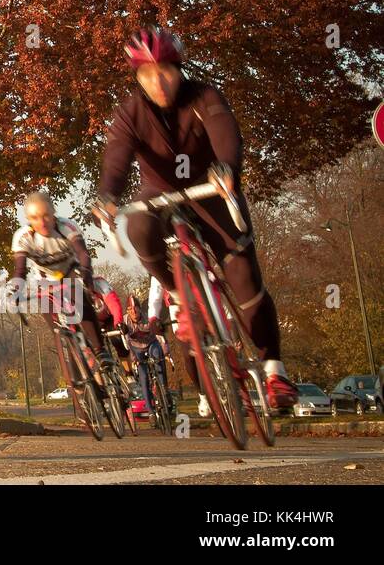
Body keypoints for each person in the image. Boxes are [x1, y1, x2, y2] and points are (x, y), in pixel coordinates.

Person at [92, 28, 297, 412]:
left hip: (211, 191)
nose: (158, 81)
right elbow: (117, 156)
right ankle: (175, 291)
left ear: (179, 69)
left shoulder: (203, 96)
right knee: (138, 227)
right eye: (147, 74)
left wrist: (226, 167)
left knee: (245, 281)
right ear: (136, 78)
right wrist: (108, 195)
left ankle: (274, 370)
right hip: (159, 195)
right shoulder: (130, 113)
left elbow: (224, 131)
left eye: (166, 70)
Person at [11, 191, 109, 393]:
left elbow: (83, 254)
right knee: (59, 330)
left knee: (80, 304)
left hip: (69, 272)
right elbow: (20, 270)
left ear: (54, 213)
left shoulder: (66, 227)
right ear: (28, 220)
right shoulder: (23, 237)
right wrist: (16, 291)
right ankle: (79, 382)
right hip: (44, 282)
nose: (42, 222)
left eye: (46, 215)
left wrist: (87, 273)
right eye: (35, 218)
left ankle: (101, 352)